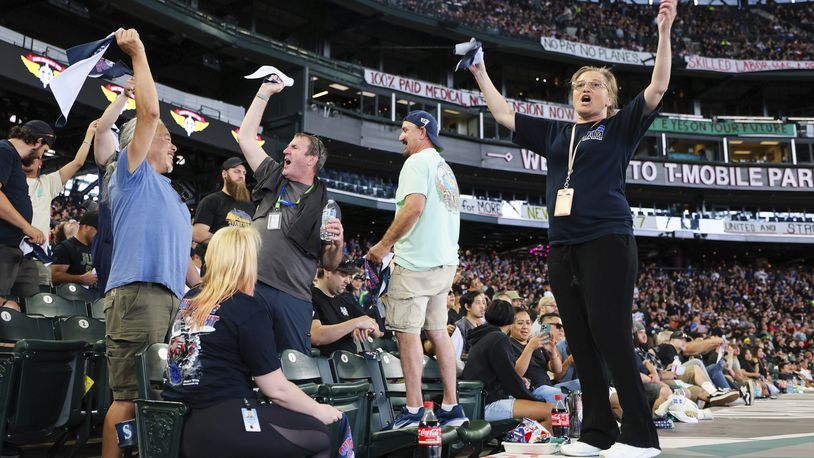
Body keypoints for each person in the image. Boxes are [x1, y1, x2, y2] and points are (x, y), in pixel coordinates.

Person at [468, 2, 676, 456]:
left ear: (610, 98)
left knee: (611, 333)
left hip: (607, 239)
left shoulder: (620, 127)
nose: (586, 89)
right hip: (562, 247)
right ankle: (597, 433)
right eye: (580, 85)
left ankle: (641, 436)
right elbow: (505, 115)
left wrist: (664, 31)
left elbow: (658, 86)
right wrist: (481, 72)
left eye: (596, 85)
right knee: (581, 338)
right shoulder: (559, 135)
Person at [162, 226, 341, 458]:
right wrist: (319, 410)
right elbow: (275, 389)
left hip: (180, 427)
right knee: (320, 436)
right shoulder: (246, 306)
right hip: (223, 426)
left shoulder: (191, 299)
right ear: (247, 262)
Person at [101, 28, 193, 458]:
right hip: (138, 295)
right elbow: (150, 113)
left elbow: (187, 264)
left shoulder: (173, 196)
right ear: (137, 142)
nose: (172, 144)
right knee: (128, 399)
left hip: (172, 301)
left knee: (159, 398)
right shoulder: (130, 173)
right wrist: (138, 52)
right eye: (165, 138)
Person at [366, 110, 467, 428]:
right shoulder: (444, 168)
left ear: (423, 130)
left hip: (416, 264)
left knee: (407, 334)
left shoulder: (416, 162)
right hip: (444, 264)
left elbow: (413, 208)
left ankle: (412, 411)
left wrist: (383, 247)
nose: (401, 136)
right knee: (438, 332)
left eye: (405, 129)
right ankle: (452, 407)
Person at [238, 76, 344, 354]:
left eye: (294, 147)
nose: (285, 149)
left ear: (311, 159)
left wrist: (338, 244)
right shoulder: (272, 176)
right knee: (245, 359)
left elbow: (331, 263)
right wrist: (264, 92)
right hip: (253, 287)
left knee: (292, 367)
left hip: (294, 298)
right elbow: (246, 138)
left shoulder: (326, 204)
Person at [24, 119, 97, 287]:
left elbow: (78, 163)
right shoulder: (10, 180)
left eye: (38, 156)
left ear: (41, 162)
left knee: (38, 304)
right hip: (10, 249)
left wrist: (89, 134)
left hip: (38, 258)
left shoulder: (47, 183)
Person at [461, 300, 553, 429]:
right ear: (511, 320)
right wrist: (534, 399)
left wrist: (520, 380)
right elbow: (511, 381)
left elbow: (502, 374)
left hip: (479, 401)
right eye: (520, 322)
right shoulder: (499, 338)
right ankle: (531, 447)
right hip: (489, 403)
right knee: (551, 411)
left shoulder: (486, 335)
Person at [0, 120, 49, 311]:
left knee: (33, 307)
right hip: (3, 245)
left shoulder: (13, 157)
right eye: (44, 150)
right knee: (7, 310)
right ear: (38, 142)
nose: (41, 154)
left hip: (20, 248)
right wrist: (26, 226)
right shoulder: (4, 150)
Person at [92, 78, 134, 297]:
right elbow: (103, 128)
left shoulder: (154, 173)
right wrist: (124, 97)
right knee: (110, 304)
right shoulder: (114, 160)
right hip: (113, 242)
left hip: (137, 246)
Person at [310, 256, 382, 356]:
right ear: (327, 271)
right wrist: (355, 323)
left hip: (351, 363)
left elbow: (378, 331)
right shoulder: (310, 297)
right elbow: (316, 336)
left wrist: (368, 328)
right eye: (344, 275)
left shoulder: (347, 297)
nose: (348, 281)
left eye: (349, 276)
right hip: (325, 364)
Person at [192, 157, 256, 244]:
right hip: (219, 256)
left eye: (244, 173)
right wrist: (227, 245)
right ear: (224, 174)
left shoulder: (250, 206)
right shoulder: (211, 201)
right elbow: (198, 234)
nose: (241, 176)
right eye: (237, 171)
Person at [509, 308, 565, 403]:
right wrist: (530, 347)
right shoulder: (508, 344)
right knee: (565, 397)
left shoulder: (537, 342)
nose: (525, 326)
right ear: (510, 325)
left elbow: (557, 369)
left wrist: (552, 353)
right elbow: (516, 374)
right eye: (520, 323)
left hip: (550, 386)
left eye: (528, 323)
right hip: (533, 390)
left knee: (584, 386)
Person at [50, 211, 98, 287]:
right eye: (98, 230)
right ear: (86, 227)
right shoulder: (65, 247)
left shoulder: (96, 248)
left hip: (94, 295)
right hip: (72, 295)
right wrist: (80, 279)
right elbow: (54, 277)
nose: (100, 234)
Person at [455, 290, 487, 355]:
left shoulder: (483, 325)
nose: (482, 306)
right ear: (467, 307)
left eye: (483, 303)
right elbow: (459, 354)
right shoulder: (459, 326)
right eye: (478, 303)